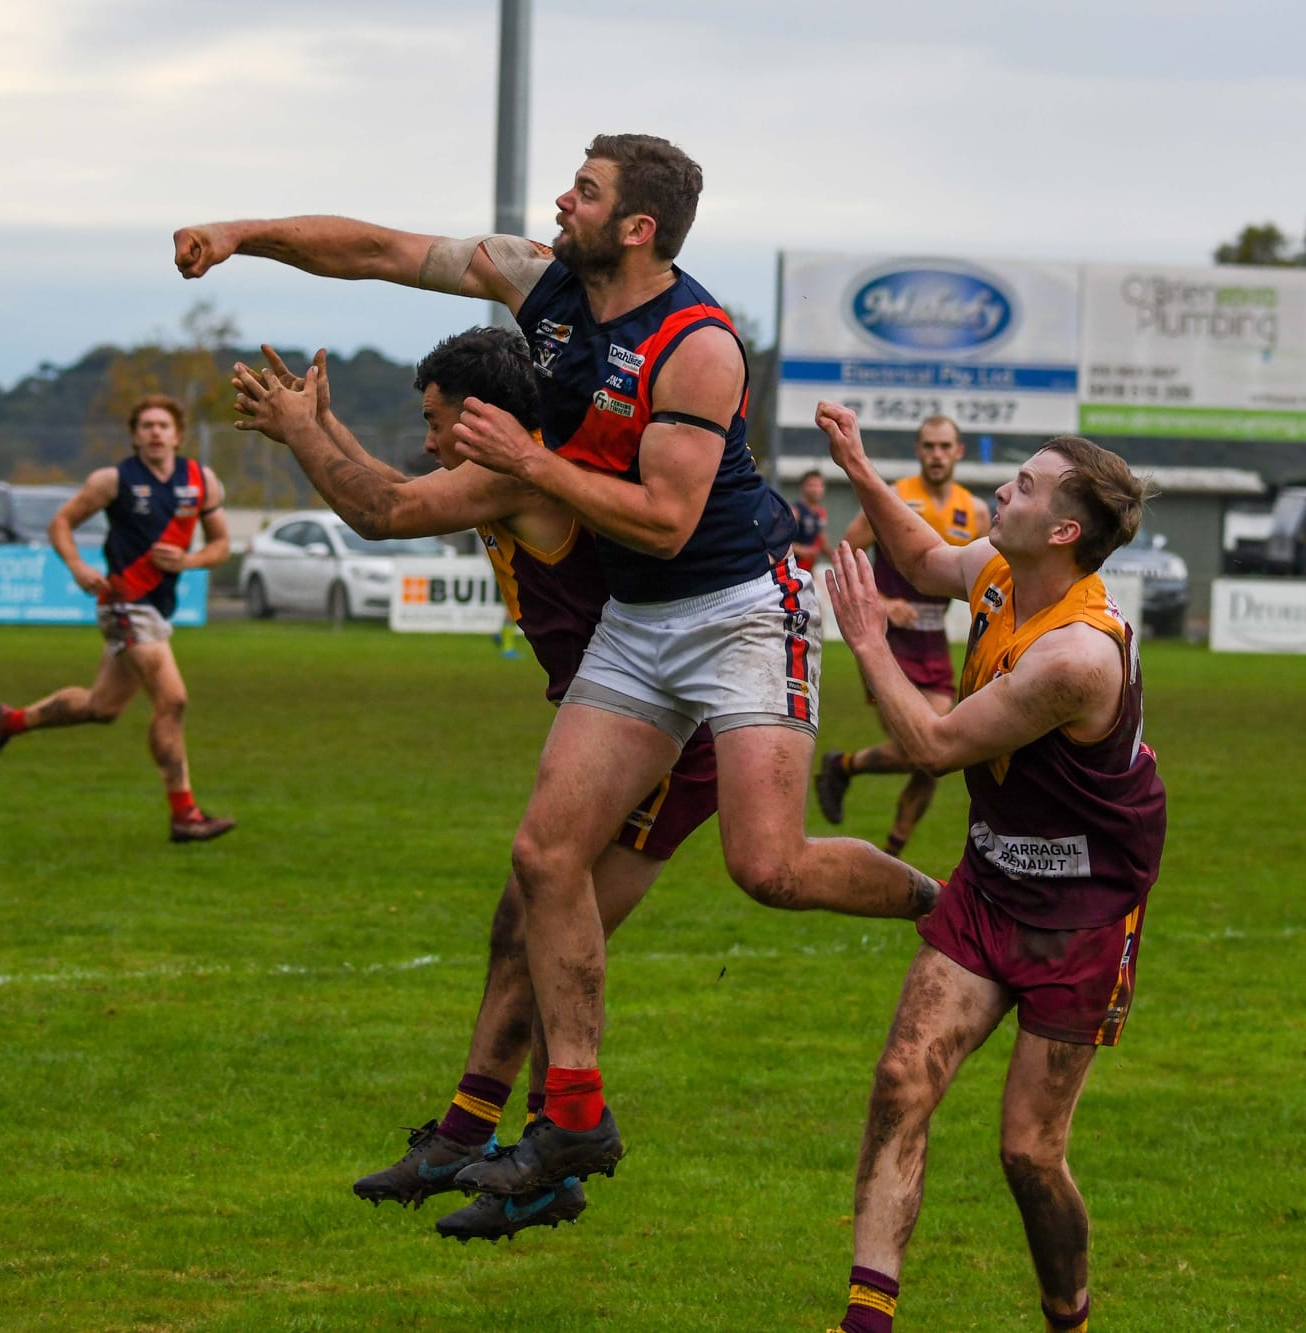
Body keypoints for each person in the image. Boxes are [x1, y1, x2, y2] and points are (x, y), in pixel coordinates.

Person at [178, 134, 934, 1196]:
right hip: (636, 616)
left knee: (767, 869)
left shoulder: (697, 345)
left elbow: (670, 522)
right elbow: (382, 251)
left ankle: (952, 908)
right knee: (542, 862)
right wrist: (242, 235)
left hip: (736, 609)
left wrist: (530, 461)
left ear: (635, 227)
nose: (558, 202)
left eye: (583, 191)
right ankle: (568, 1123)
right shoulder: (542, 283)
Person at [234, 328, 719, 1240]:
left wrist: (301, 433)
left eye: (434, 421)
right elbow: (402, 489)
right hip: (619, 733)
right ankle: (478, 1139)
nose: (426, 440)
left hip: (666, 746)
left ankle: (536, 1157)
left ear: (481, 416)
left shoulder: (521, 476)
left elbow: (381, 512)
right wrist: (323, 430)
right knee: (524, 928)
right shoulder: (510, 472)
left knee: (546, 934)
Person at [815, 400, 1162, 1333]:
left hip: (1083, 915)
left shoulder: (1078, 656)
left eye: (1025, 483)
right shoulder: (1006, 570)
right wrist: (857, 463)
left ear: (1064, 529)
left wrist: (864, 641)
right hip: (991, 884)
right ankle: (867, 1318)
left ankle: (1068, 1316)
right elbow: (927, 559)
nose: (999, 489)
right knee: (901, 1078)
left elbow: (931, 745)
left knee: (1029, 1153)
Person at [0, 395, 235, 843]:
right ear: (134, 435)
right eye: (146, 425)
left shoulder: (200, 480)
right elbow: (61, 523)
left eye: (163, 425)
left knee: (102, 707)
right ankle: (184, 814)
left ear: (178, 435)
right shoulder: (113, 480)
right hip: (125, 603)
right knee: (172, 701)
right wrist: (76, 566)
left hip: (157, 605)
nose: (154, 432)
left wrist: (187, 563)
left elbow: (222, 545)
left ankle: (9, 721)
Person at [816, 416, 990, 858]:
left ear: (958, 452)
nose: (936, 454)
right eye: (928, 446)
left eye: (944, 446)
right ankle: (845, 769)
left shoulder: (976, 512)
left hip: (935, 644)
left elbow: (988, 578)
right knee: (923, 747)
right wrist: (883, 605)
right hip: (889, 643)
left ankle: (889, 846)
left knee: (937, 756)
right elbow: (845, 553)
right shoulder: (893, 497)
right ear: (918, 450)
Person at [792, 469, 829, 572]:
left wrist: (836, 555)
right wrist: (803, 550)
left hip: (809, 570)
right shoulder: (796, 512)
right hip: (793, 571)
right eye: (812, 485)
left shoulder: (821, 513)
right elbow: (781, 542)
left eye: (819, 485)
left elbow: (822, 542)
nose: (816, 489)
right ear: (803, 487)